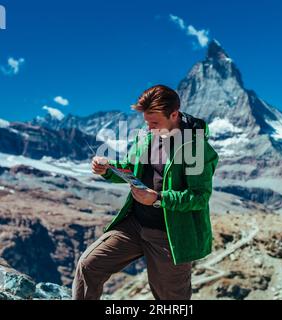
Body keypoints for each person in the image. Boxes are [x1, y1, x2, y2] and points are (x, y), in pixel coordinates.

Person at [72, 84, 219, 300]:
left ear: (174, 115)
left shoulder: (197, 149)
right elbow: (132, 169)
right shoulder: (146, 137)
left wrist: (158, 199)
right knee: (89, 265)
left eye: (155, 123)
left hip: (170, 236)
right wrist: (108, 168)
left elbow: (199, 197)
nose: (149, 128)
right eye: (146, 122)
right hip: (134, 224)